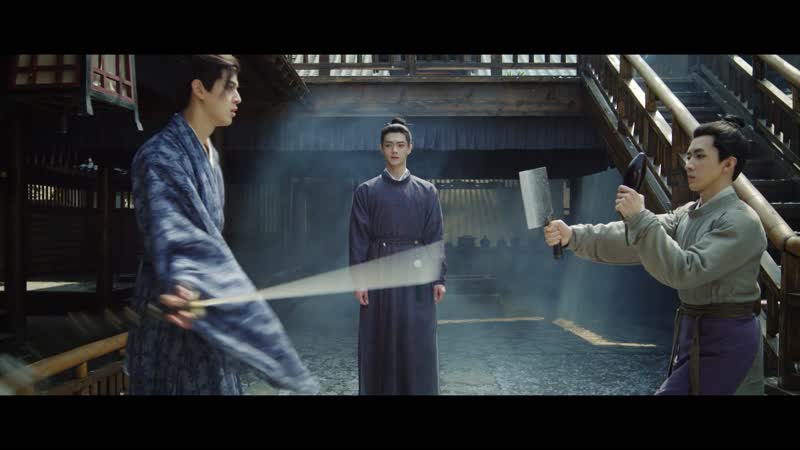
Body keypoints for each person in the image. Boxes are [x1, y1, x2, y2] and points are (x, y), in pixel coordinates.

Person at [125, 55, 317, 395]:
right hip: (175, 314)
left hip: (204, 308)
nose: (238, 98)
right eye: (229, 88)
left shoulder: (211, 158)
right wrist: (189, 280)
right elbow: (182, 242)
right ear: (199, 89)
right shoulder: (159, 156)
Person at [544, 115, 766, 395]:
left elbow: (685, 270)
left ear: (728, 164)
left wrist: (640, 217)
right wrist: (573, 235)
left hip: (727, 339)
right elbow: (632, 239)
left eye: (699, 156)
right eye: (689, 156)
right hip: (695, 333)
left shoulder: (741, 221)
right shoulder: (688, 213)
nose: (689, 164)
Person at [349, 117, 447, 395]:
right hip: (378, 271)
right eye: (389, 145)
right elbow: (358, 238)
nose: (395, 150)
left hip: (417, 274)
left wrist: (439, 278)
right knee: (379, 340)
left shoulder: (427, 191)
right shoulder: (366, 191)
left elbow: (435, 237)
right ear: (381, 148)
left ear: (409, 148)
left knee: (417, 340)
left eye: (400, 145)